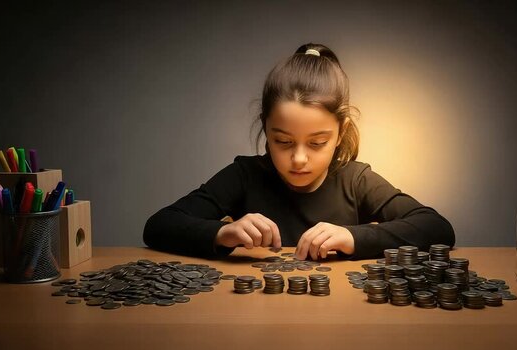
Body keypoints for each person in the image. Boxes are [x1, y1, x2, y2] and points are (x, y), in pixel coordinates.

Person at [144, 43, 455, 260]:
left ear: (340, 133)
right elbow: (158, 225)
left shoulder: (356, 180)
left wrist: (353, 238)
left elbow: (437, 228)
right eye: (283, 141)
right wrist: (222, 233)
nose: (300, 159)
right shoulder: (245, 176)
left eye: (317, 142)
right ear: (266, 129)